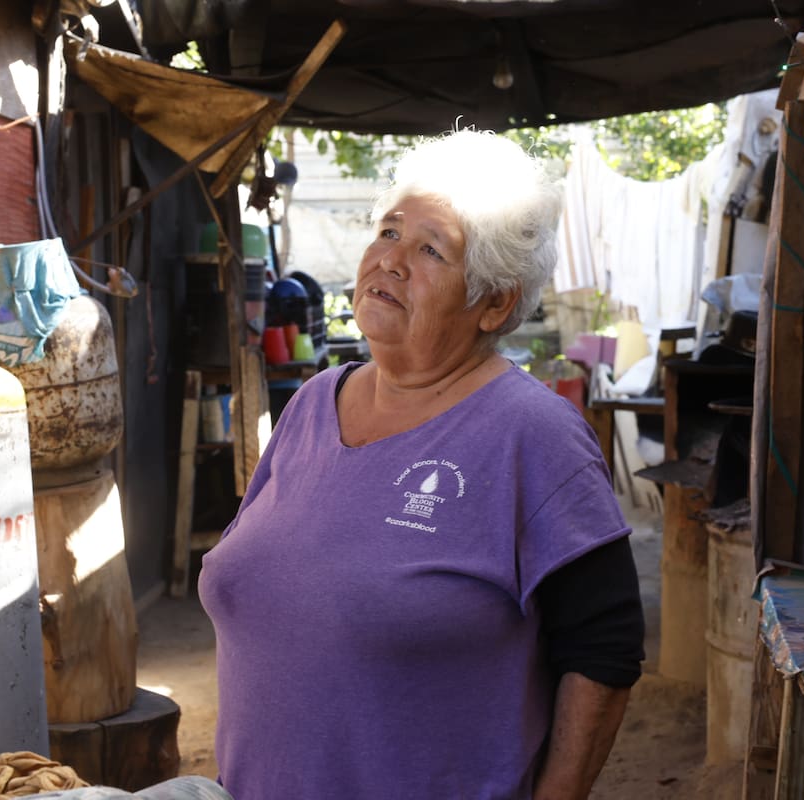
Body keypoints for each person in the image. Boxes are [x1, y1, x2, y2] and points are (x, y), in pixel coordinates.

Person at [199, 129, 645, 800]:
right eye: (387, 232)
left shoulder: (534, 434)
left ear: (494, 302)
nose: (391, 261)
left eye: (431, 249)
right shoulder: (314, 404)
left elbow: (604, 648)